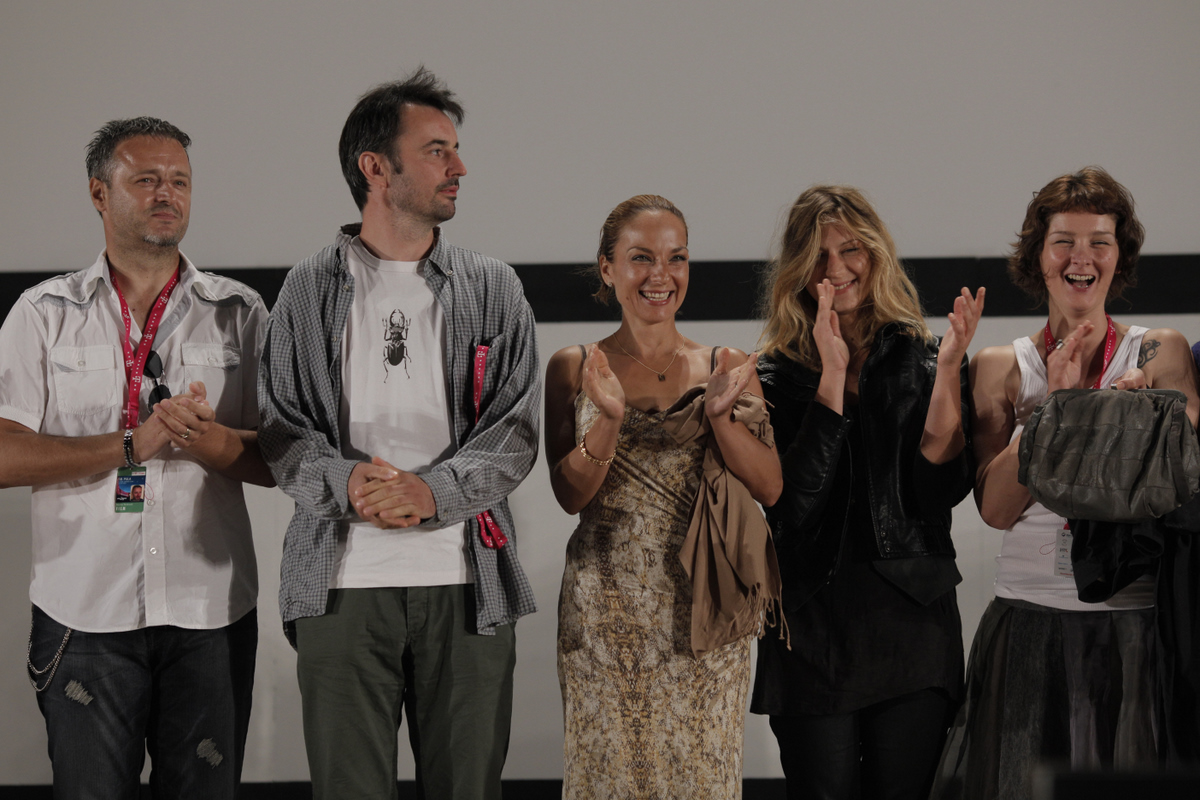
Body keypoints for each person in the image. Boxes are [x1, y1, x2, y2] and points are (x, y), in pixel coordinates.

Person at [258, 67, 539, 800]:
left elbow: (514, 433)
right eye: (437, 151)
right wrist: (349, 482)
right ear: (375, 168)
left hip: (468, 585)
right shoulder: (307, 288)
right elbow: (280, 430)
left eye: (455, 150)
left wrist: (431, 492)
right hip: (341, 587)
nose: (460, 167)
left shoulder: (493, 286)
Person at [0, 117, 273, 798]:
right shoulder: (43, 313)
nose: (166, 194)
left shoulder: (239, 312)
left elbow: (282, 460)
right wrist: (133, 444)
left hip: (210, 612)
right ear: (99, 193)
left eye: (179, 181)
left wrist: (208, 441)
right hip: (85, 613)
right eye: (146, 179)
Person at [934, 167, 1200, 799]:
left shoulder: (1159, 352)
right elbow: (996, 510)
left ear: (1119, 257)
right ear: (1039, 257)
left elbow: (1176, 484)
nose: (1082, 258)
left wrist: (1117, 414)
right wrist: (1056, 410)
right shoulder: (1001, 365)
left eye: (1099, 242)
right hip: (1028, 620)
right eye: (1064, 242)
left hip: (1132, 624)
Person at [545, 194, 783, 799]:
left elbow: (769, 485)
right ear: (608, 269)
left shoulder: (726, 364)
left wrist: (722, 420)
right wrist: (608, 420)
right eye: (641, 258)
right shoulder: (574, 366)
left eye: (676, 258)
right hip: (604, 616)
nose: (661, 275)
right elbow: (569, 496)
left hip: (704, 610)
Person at [749, 185, 983, 800]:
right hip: (810, 626)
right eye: (819, 255)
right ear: (798, 269)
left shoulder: (926, 357)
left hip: (911, 622)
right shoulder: (769, 373)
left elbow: (938, 493)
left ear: (876, 254)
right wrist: (831, 374)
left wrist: (948, 370)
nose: (837, 268)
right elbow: (793, 503)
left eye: (851, 249)